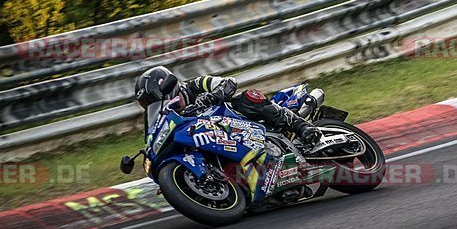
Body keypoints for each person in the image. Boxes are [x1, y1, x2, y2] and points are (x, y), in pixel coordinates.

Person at [134, 66, 321, 145]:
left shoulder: (195, 86)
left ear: (170, 88)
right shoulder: (165, 118)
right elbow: (152, 137)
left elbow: (228, 82)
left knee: (246, 98)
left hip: (238, 120)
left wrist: (210, 98)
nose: (163, 106)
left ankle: (301, 126)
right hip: (221, 140)